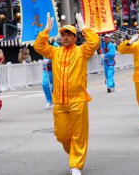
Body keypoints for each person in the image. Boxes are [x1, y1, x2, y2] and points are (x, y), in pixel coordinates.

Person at [34, 13, 100, 175]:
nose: (65, 37)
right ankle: (75, 153)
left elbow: (94, 42)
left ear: (75, 38)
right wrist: (46, 30)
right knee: (61, 134)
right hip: (60, 102)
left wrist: (83, 27)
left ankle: (76, 164)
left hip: (78, 100)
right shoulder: (56, 52)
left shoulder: (82, 51)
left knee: (79, 134)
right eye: (63, 34)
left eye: (68, 34)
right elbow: (38, 46)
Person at [42, 39, 59, 109]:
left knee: (56, 85)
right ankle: (49, 100)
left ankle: (56, 100)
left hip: (55, 69)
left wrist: (50, 60)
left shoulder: (56, 46)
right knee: (45, 84)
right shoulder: (44, 45)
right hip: (46, 69)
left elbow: (58, 56)